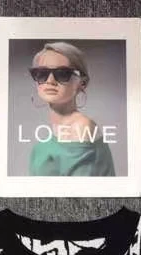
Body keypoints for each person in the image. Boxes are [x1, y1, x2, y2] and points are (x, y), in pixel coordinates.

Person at [27, 41, 115, 177]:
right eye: (42, 73)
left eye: (63, 74)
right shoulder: (55, 131)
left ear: (82, 83)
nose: (50, 81)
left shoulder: (81, 127)